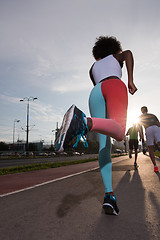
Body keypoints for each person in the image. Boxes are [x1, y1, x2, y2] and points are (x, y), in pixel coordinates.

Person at [55, 36, 137, 215]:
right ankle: (83, 122)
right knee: (119, 132)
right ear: (114, 49)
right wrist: (130, 80)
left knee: (104, 145)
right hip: (114, 84)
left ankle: (109, 196)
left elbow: (98, 85)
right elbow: (129, 54)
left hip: (95, 92)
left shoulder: (92, 68)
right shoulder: (116, 57)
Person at [138, 106, 160, 172]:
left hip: (148, 129)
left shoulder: (140, 117)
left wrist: (141, 136)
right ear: (147, 110)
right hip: (156, 127)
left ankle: (155, 166)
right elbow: (158, 123)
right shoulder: (153, 115)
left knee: (150, 148)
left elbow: (139, 128)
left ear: (141, 111)